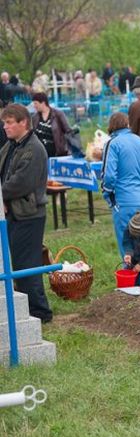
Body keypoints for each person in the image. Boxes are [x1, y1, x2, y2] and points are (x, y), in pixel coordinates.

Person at [0, 104, 52, 322]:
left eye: (9, 122)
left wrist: (0, 196)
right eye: (4, 123)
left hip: (29, 214)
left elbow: (22, 182)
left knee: (27, 264)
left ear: (23, 123)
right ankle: (25, 308)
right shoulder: (11, 146)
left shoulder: (34, 148)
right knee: (18, 262)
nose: (5, 127)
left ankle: (39, 311)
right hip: (14, 213)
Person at [101, 112, 140, 258]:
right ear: (127, 124)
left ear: (111, 127)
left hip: (124, 200)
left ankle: (130, 279)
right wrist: (139, 179)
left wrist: (107, 192)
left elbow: (108, 175)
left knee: (126, 246)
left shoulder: (112, 143)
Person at [30, 92, 72, 158]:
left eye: (36, 103)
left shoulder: (58, 114)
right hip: (40, 154)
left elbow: (68, 131)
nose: (34, 106)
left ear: (43, 103)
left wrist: (69, 149)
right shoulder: (35, 117)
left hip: (56, 153)